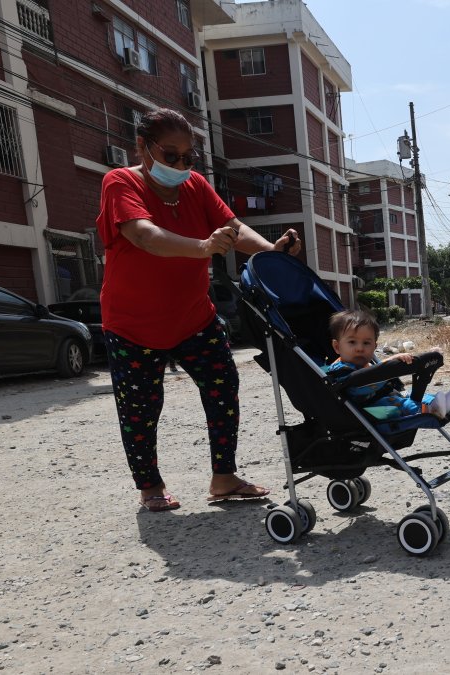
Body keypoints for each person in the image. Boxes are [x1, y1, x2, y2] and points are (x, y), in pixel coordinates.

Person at [96, 108, 303, 512]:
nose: (180, 165)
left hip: (194, 318)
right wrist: (203, 247)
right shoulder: (119, 182)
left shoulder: (195, 186)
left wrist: (271, 253)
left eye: (188, 157)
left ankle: (224, 478)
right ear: (142, 146)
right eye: (170, 155)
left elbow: (234, 229)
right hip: (132, 325)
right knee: (140, 409)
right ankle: (150, 487)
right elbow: (144, 235)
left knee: (223, 387)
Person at [326, 310, 450, 419]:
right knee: (403, 405)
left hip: (384, 397)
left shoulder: (365, 364)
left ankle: (442, 403)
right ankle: (433, 410)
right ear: (337, 347)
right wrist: (391, 363)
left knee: (409, 396)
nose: (360, 348)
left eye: (366, 343)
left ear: (374, 347)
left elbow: (376, 373)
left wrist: (395, 360)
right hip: (369, 409)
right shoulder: (340, 370)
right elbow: (363, 384)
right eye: (352, 342)